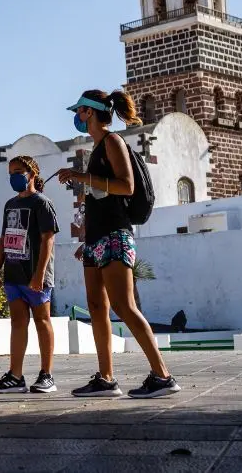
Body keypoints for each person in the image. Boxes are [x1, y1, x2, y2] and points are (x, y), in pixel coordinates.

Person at [57, 90, 181, 399]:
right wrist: (85, 233)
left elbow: (126, 186)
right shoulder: (98, 147)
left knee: (124, 306)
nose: (77, 116)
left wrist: (80, 176)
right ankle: (106, 378)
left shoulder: (112, 142)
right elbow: (99, 200)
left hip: (115, 234)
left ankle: (162, 376)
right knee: (97, 308)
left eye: (81, 111)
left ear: (91, 112)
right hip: (95, 238)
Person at [0, 155, 59, 394]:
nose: (14, 176)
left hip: (36, 275)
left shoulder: (42, 203)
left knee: (42, 320)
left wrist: (39, 274)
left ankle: (46, 375)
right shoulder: (10, 204)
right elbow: (4, 238)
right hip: (13, 274)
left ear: (32, 174)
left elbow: (48, 238)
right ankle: (15, 375)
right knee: (18, 322)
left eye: (18, 171)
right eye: (10, 172)